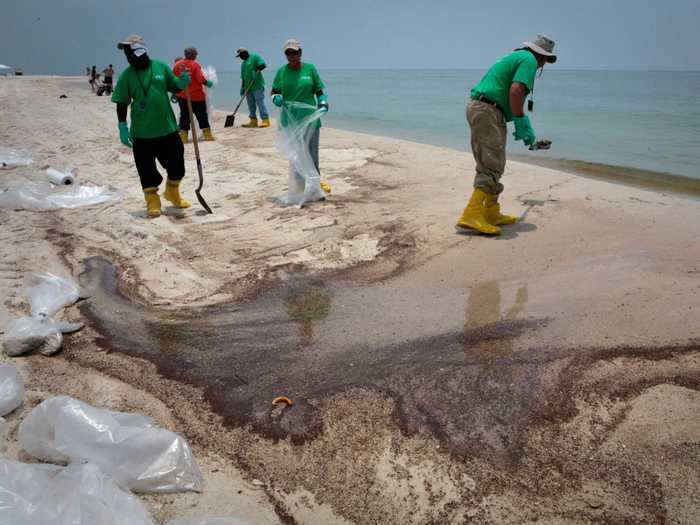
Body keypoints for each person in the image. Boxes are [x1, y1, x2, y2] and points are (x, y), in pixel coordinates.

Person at [456, 34, 557, 235]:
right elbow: (516, 90)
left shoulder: (516, 56)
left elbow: (510, 91)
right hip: (488, 110)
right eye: (545, 60)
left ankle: (491, 211)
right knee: (491, 164)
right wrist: (521, 120)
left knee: (496, 163)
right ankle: (471, 214)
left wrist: (520, 121)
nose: (542, 66)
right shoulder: (529, 60)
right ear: (542, 57)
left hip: (485, 108)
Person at [111, 34, 193, 218]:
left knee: (177, 165)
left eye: (129, 52)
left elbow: (175, 87)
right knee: (146, 170)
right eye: (126, 53)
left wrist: (182, 82)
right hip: (142, 133)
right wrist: (122, 126)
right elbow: (121, 102)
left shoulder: (160, 67)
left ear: (140, 50)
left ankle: (172, 192)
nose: (128, 56)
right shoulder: (127, 75)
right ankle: (152, 201)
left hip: (168, 128)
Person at [271, 39, 331, 194]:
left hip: (310, 119)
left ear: (300, 53)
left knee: (312, 153)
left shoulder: (310, 69)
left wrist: (323, 102)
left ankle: (315, 182)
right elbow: (274, 91)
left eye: (295, 52)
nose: (292, 55)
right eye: (288, 53)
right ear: (285, 55)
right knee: (296, 156)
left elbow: (319, 91)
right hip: (290, 120)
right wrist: (275, 98)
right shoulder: (281, 72)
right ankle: (299, 186)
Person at [173, 47, 215, 142]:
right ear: (194, 55)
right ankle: (207, 135)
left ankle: (183, 137)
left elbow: (173, 80)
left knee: (184, 115)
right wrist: (207, 83)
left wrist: (174, 93)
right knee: (201, 115)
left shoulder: (177, 65)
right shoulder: (195, 65)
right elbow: (200, 79)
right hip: (197, 97)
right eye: (196, 55)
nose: (196, 56)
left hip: (182, 96)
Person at [236, 48, 269, 128]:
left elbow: (263, 65)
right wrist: (242, 88)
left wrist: (256, 70)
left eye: (240, 55)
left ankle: (265, 120)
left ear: (245, 53)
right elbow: (243, 77)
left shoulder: (255, 57)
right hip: (248, 88)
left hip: (257, 85)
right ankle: (253, 121)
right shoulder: (243, 64)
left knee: (260, 103)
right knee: (251, 105)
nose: (240, 57)